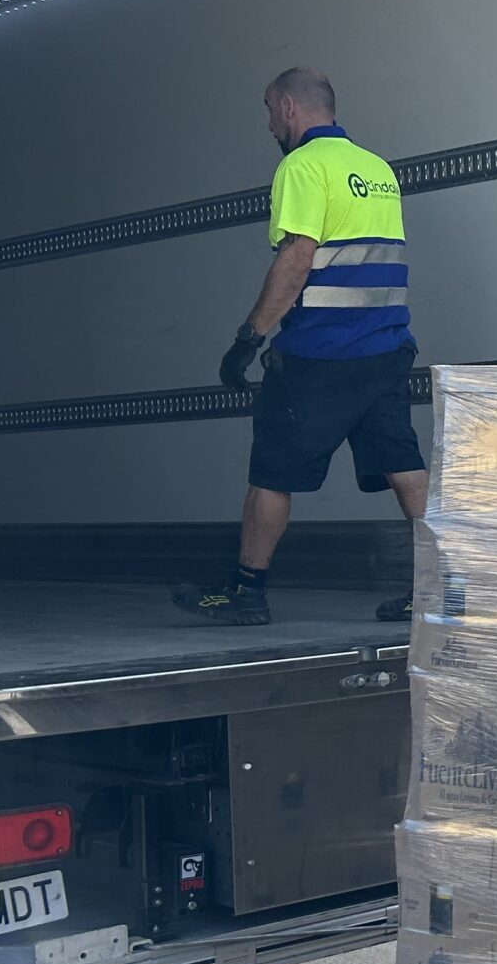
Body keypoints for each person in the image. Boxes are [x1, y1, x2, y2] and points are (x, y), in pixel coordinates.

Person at [176, 68, 425, 625]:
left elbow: (296, 257)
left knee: (272, 472)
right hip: (386, 347)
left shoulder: (302, 166)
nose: (269, 124)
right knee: (402, 463)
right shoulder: (376, 169)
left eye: (269, 110)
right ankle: (443, 587)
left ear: (288, 107)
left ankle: (247, 592)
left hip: (321, 353)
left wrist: (248, 338)